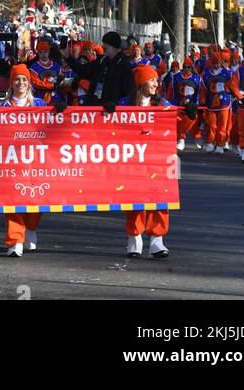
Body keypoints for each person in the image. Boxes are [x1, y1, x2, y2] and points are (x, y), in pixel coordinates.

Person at [120, 64, 173, 258]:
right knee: (134, 198)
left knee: (160, 198)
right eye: (151, 80)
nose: (155, 83)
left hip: (159, 159)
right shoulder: (124, 104)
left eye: (156, 80)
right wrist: (106, 111)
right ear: (141, 82)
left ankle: (157, 241)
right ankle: (134, 238)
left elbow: (179, 124)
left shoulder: (162, 104)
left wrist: (190, 115)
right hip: (133, 159)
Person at [0, 64, 46, 255]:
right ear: (11, 83)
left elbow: (55, 126)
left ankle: (31, 228)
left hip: (37, 161)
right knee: (13, 200)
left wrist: (59, 111)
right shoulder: (3, 106)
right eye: (17, 79)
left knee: (38, 197)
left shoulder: (40, 105)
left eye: (24, 79)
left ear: (29, 83)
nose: (21, 83)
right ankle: (16, 240)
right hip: (12, 161)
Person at [73, 32, 135, 110]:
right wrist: (67, 57)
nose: (103, 46)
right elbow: (83, 71)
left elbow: (129, 91)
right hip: (95, 109)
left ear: (114, 47)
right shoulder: (102, 60)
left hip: (112, 112)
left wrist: (116, 104)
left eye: (106, 44)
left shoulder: (125, 64)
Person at [198, 50, 233, 153]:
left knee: (222, 125)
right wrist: (202, 99)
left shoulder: (227, 73)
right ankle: (210, 141)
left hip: (224, 103)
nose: (216, 65)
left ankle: (220, 144)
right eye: (214, 63)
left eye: (218, 62)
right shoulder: (206, 74)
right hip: (211, 102)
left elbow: (232, 84)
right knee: (211, 124)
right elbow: (203, 88)